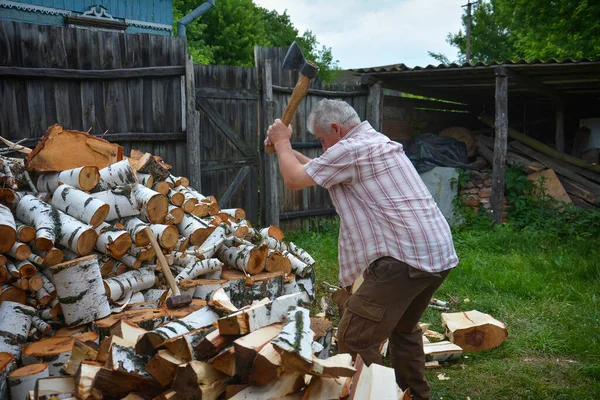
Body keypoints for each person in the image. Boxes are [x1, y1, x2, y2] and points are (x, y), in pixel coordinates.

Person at [265, 99, 458, 400]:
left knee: (354, 337)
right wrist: (284, 149)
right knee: (403, 330)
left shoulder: (351, 149)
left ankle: (373, 395)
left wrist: (281, 142)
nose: (323, 146)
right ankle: (414, 396)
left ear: (336, 128)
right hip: (434, 253)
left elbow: (292, 179)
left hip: (403, 260)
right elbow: (316, 169)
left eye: (322, 139)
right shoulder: (372, 142)